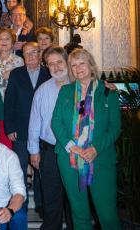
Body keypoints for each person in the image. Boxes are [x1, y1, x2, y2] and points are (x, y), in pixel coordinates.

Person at [51, 48, 121, 229]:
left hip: (100, 158)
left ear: (90, 65)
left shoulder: (108, 92)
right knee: (79, 213)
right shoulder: (66, 91)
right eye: (73, 65)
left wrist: (95, 148)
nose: (77, 68)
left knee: (108, 214)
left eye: (81, 63)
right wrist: (70, 146)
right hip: (69, 159)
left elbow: (114, 128)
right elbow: (56, 121)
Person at [27, 46, 73, 230]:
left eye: (59, 62)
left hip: (75, 151)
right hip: (49, 151)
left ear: (67, 62)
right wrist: (33, 151)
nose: (56, 67)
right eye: (51, 64)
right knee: (51, 198)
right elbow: (34, 123)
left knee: (73, 198)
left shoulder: (79, 86)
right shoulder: (42, 91)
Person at [4, 42, 50, 205]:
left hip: (44, 132)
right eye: (26, 53)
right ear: (22, 56)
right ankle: (20, 205)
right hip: (21, 131)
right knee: (21, 168)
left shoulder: (49, 73)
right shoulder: (16, 74)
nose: (30, 56)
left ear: (40, 54)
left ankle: (41, 204)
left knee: (41, 170)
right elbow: (9, 102)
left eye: (33, 52)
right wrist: (9, 128)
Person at [0, 28, 24, 100]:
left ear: (12, 42)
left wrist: (13, 75)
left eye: (7, 39)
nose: (4, 41)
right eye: (1, 39)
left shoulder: (19, 61)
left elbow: (22, 82)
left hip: (10, 99)